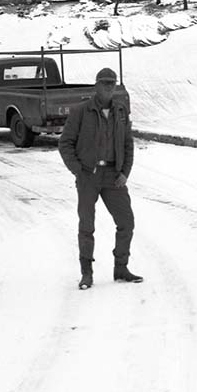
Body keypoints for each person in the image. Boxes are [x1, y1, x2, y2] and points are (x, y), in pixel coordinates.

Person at [59, 67, 143, 290]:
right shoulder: (81, 111)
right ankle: (86, 273)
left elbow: (127, 143)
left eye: (112, 83)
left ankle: (121, 268)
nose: (108, 86)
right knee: (87, 226)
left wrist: (125, 172)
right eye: (104, 82)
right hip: (88, 176)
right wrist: (78, 170)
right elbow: (65, 143)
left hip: (114, 176)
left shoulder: (120, 111)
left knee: (126, 222)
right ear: (96, 85)